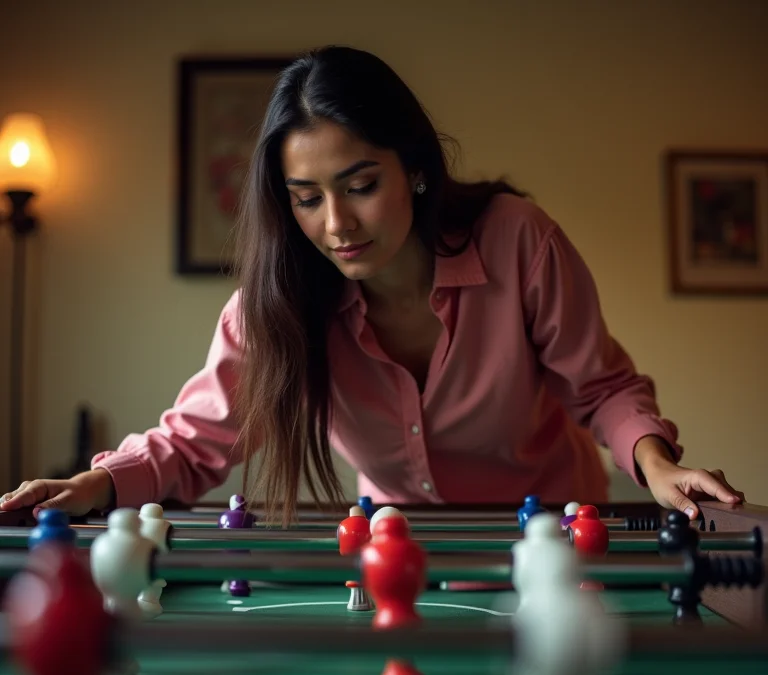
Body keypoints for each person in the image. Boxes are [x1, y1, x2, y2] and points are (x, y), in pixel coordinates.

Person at [0, 45, 745, 527]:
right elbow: (193, 445)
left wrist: (657, 466)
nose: (336, 224)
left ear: (414, 168)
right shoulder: (272, 307)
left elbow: (602, 388)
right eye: (306, 198)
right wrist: (94, 485)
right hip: (399, 546)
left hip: (555, 531)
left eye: (360, 185)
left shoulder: (519, 239)